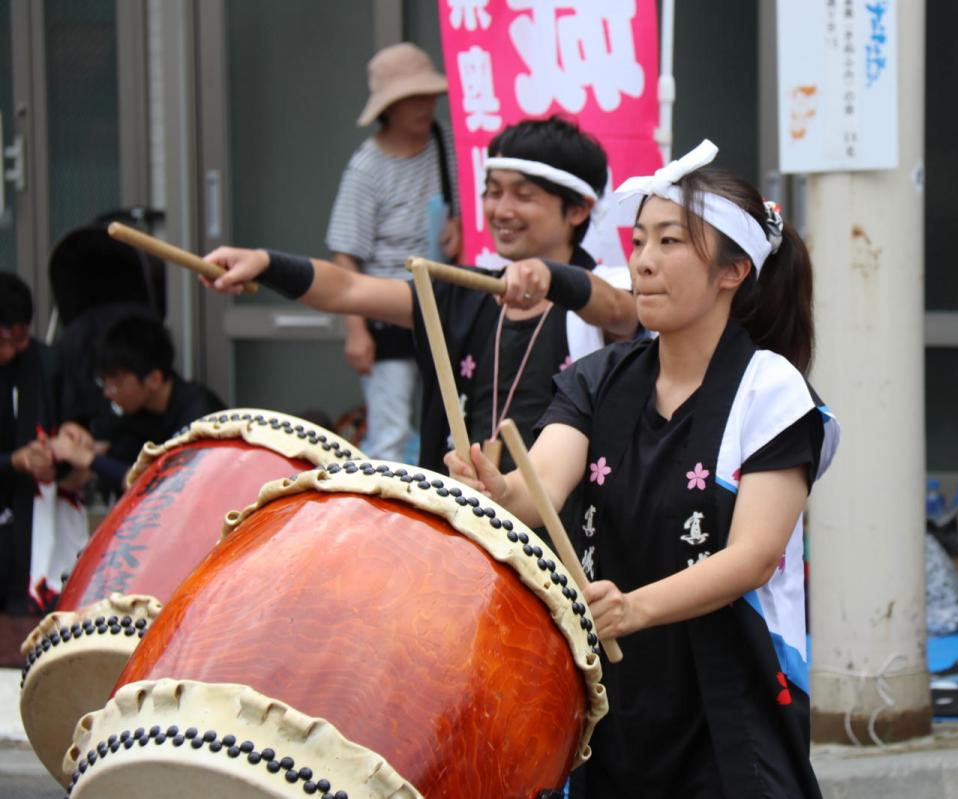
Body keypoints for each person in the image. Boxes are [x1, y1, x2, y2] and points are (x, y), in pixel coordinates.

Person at [445, 141, 839, 798]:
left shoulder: (770, 393)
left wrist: (634, 606)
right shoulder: (599, 379)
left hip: (729, 690)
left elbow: (753, 556)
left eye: (670, 242)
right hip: (614, 690)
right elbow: (538, 489)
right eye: (637, 242)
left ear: (732, 270)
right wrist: (497, 487)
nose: (644, 262)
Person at [205, 116, 638, 475]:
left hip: (561, 535)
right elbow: (349, 288)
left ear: (578, 209)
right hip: (463, 525)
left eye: (523, 195)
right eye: (493, 191)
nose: (501, 210)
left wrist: (552, 277)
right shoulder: (464, 292)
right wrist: (265, 262)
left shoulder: (604, 292)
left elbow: (620, 310)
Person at [327, 43, 461, 462]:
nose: (426, 106)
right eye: (411, 99)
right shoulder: (367, 168)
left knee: (455, 430)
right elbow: (345, 252)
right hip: (386, 312)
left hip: (442, 305)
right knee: (390, 435)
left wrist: (463, 232)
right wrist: (356, 330)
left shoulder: (446, 143)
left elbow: (470, 210)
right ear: (389, 107)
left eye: (429, 94)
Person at [0, 274, 92, 660]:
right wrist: (13, 460)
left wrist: (70, 438)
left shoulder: (49, 362)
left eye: (21, 338)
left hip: (37, 507)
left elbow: (80, 421)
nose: (13, 350)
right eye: (5, 340)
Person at [62, 315, 224, 494]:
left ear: (154, 380)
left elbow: (163, 487)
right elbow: (111, 450)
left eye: (117, 383)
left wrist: (88, 459)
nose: (108, 393)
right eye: (104, 381)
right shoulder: (134, 409)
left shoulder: (199, 416)